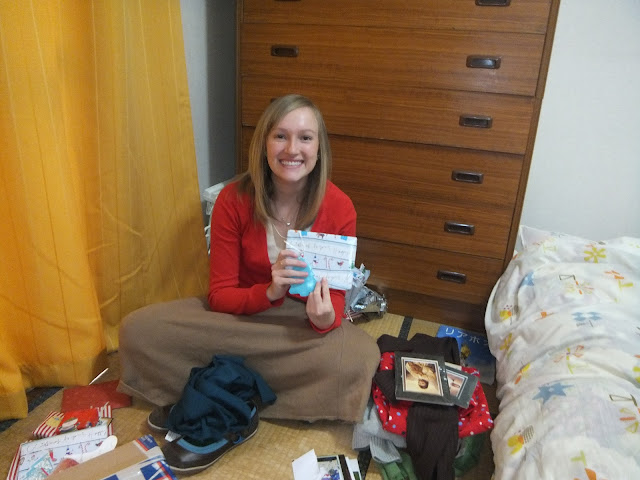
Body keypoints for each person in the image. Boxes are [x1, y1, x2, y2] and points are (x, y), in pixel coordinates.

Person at [117, 94, 381, 472]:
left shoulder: (340, 207)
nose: (292, 149)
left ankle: (216, 386)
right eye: (280, 136)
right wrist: (269, 291)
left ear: (319, 148)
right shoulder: (233, 199)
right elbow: (220, 295)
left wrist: (324, 317)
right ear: (264, 144)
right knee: (138, 329)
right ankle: (242, 392)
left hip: (296, 325)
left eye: (305, 138)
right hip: (238, 317)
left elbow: (334, 304)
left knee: (361, 357)